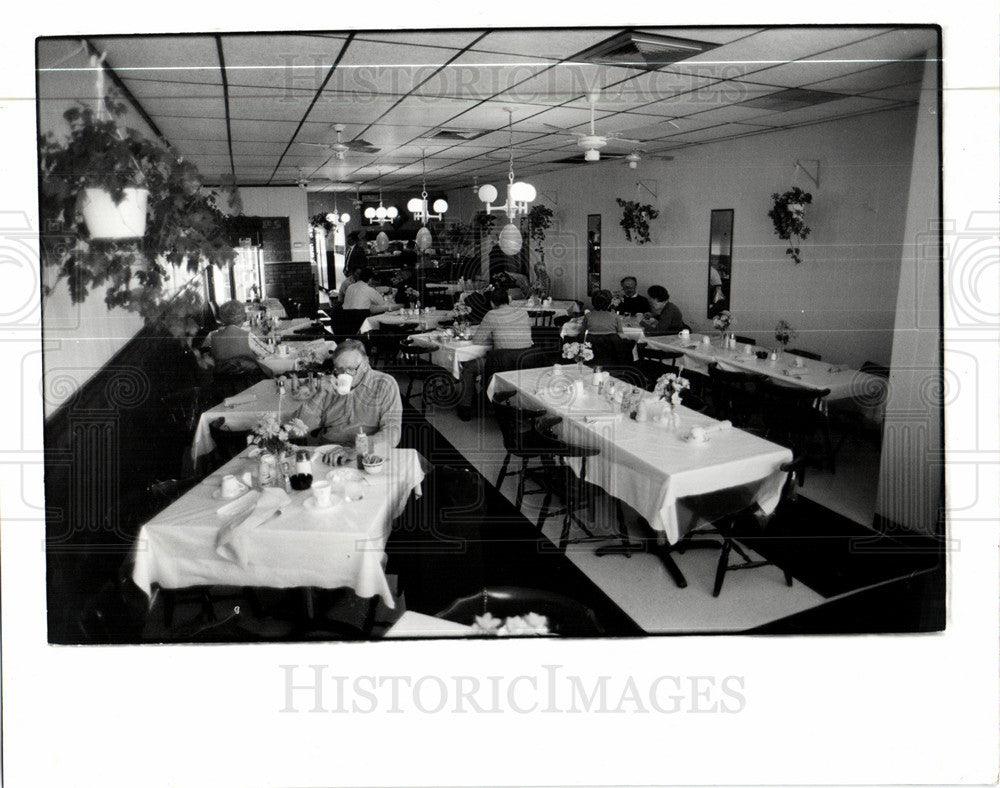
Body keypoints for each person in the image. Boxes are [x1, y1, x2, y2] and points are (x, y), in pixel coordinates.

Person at [293, 339, 402, 448]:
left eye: (351, 369)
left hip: (366, 451)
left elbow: (392, 433)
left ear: (365, 364)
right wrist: (319, 395)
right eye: (339, 369)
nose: (344, 375)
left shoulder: (384, 384)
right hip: (328, 448)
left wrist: (358, 448)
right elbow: (297, 430)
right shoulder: (328, 384)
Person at [457, 287, 533, 420]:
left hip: (501, 362)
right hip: (525, 359)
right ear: (509, 300)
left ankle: (466, 408)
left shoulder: (491, 315)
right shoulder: (523, 313)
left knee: (469, 368)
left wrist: (492, 335)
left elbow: (478, 340)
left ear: (492, 303)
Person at [200, 299, 269, 375]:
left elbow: (204, 355)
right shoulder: (247, 335)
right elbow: (266, 353)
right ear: (243, 318)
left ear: (222, 318)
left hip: (221, 379)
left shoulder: (212, 335)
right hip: (248, 379)